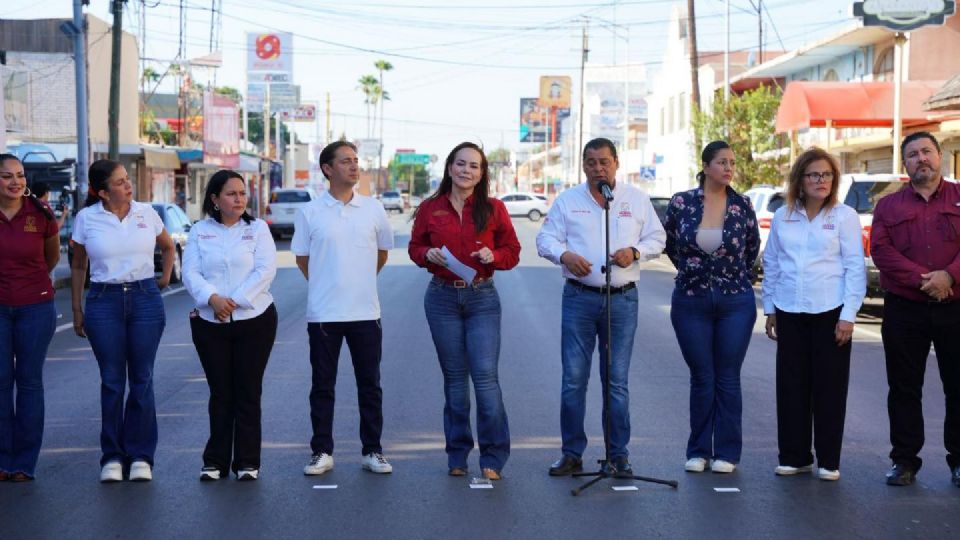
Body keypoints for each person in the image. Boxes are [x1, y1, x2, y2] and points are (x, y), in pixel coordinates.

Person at [537, 137, 666, 477]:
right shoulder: (568, 200)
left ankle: (618, 455)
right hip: (579, 298)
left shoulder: (635, 200)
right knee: (573, 381)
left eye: (604, 162)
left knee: (616, 381)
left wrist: (635, 252)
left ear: (616, 163)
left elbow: (658, 238)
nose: (598, 168)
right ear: (583, 165)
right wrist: (563, 254)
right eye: (591, 162)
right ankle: (571, 453)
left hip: (621, 300)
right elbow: (545, 239)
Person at [408, 142, 521, 481]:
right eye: (461, 164)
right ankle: (457, 454)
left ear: (482, 173)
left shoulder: (494, 208)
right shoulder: (431, 208)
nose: (466, 170)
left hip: (482, 298)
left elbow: (512, 251)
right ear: (449, 167)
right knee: (455, 381)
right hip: (442, 299)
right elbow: (415, 246)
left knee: (485, 379)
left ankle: (493, 456)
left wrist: (494, 256)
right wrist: (427, 254)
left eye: (474, 166)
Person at [291, 141, 395, 477]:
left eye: (356, 160)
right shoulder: (309, 212)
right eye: (346, 161)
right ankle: (321, 451)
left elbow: (381, 253)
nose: (354, 166)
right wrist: (326, 283)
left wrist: (358, 281)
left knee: (370, 385)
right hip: (324, 315)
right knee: (323, 386)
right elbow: (303, 259)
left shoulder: (374, 209)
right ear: (327, 169)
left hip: (365, 312)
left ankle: (373, 451)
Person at [762, 147, 866, 482]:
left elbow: (854, 268)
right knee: (791, 386)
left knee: (829, 388)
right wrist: (770, 309)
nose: (821, 181)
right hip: (789, 310)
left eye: (826, 175)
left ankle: (828, 461)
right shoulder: (783, 216)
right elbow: (773, 264)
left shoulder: (845, 216)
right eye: (813, 175)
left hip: (830, 312)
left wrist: (848, 316)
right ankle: (795, 456)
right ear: (800, 180)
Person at [70, 159, 175, 483]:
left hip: (144, 298)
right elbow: (78, 266)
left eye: (127, 179)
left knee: (142, 379)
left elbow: (168, 246)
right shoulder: (87, 219)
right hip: (104, 301)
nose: (128, 185)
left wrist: (163, 279)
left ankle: (142, 455)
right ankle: (113, 456)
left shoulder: (146, 213)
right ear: (102, 191)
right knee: (112, 382)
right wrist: (77, 309)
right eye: (119, 182)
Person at [664, 140, 759, 475]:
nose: (729, 168)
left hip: (736, 301)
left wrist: (728, 278)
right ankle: (699, 450)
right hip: (691, 299)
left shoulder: (743, 205)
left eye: (732, 162)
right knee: (702, 376)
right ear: (705, 167)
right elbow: (671, 244)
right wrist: (696, 273)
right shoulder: (681, 203)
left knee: (728, 377)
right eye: (722, 162)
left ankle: (727, 454)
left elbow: (751, 250)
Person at [871, 132, 960, 488]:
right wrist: (926, 279)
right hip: (905, 308)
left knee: (958, 387)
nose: (921, 158)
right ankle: (905, 461)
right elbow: (882, 251)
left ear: (940, 156)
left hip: (956, 307)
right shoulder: (888, 207)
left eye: (926, 151)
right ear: (905, 163)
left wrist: (949, 276)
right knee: (904, 387)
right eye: (912, 154)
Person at [183, 170, 278, 482]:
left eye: (241, 193)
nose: (239, 199)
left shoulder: (258, 229)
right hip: (211, 323)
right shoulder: (199, 231)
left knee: (248, 391)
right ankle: (215, 461)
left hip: (255, 321)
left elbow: (265, 270)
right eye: (231, 194)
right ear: (215, 199)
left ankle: (248, 462)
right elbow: (191, 272)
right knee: (221, 393)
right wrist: (212, 299)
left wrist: (233, 300)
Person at [0, 154, 60, 482]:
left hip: (35, 307)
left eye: (20, 175)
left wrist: (31, 285)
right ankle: (2, 459)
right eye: (6, 176)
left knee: (29, 382)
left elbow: (51, 258)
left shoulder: (39, 212)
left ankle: (24, 462)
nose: (15, 182)